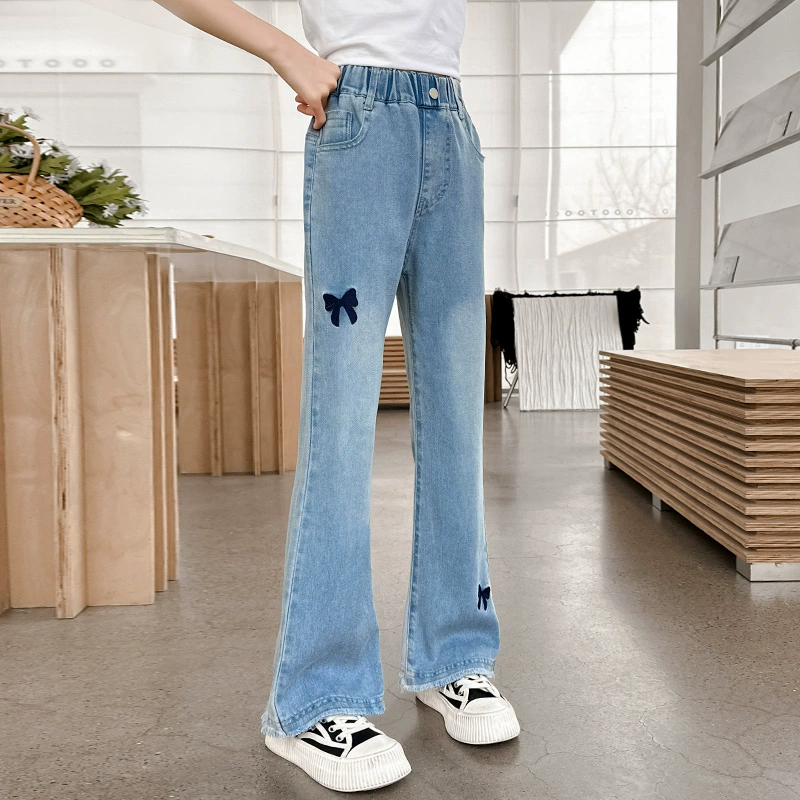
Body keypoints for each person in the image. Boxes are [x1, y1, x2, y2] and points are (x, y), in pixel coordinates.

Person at [153, 0, 520, 791]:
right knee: (343, 426)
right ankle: (314, 699)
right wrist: (286, 51)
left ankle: (455, 655)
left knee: (459, 418)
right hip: (361, 122)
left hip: (450, 118)